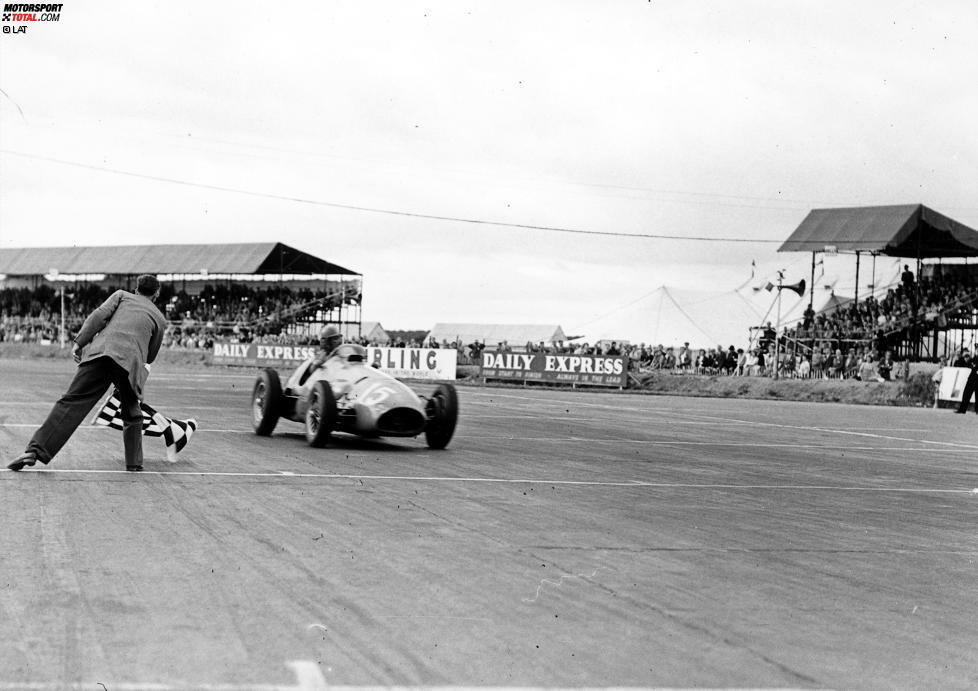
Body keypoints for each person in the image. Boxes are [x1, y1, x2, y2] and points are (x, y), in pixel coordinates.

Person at [8, 275, 166, 472]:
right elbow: (150, 356)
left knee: (71, 401)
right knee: (132, 411)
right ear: (157, 293)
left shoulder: (121, 296)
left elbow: (98, 316)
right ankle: (134, 463)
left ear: (136, 288)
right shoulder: (160, 319)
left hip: (100, 353)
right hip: (129, 365)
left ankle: (35, 450)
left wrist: (79, 342)